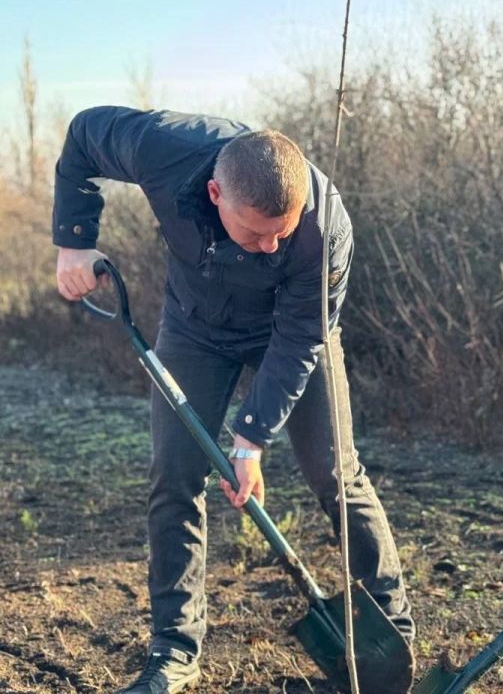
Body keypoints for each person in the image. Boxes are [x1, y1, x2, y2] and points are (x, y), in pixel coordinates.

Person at [53, 106, 414, 693]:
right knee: (175, 476)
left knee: (335, 472)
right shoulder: (164, 148)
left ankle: (389, 643)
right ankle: (174, 650)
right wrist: (74, 241)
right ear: (216, 194)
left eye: (281, 233)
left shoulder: (325, 229)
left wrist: (251, 441)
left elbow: (300, 341)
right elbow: (83, 135)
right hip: (195, 328)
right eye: (255, 232)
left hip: (290, 331)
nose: (270, 246)